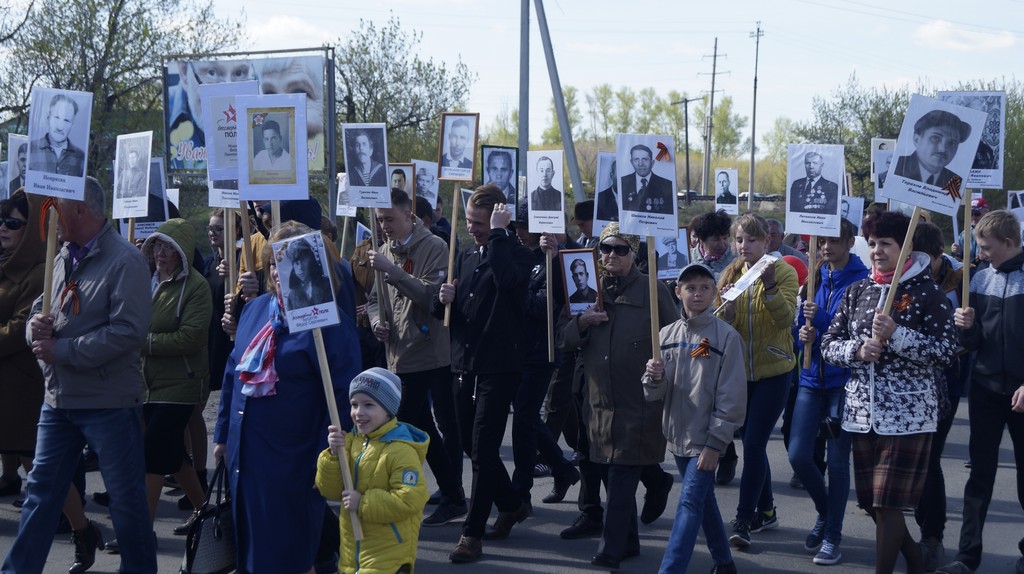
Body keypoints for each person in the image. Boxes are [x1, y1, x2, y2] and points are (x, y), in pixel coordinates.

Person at [3, 178, 157, 574]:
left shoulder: (126, 260)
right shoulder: (61, 254)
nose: (49, 218)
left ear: (81, 212)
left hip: (108, 403)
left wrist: (63, 351)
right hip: (58, 401)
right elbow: (43, 309)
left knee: (125, 503)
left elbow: (128, 332)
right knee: (40, 495)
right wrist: (32, 328)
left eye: (57, 210)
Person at [215, 221, 360, 574]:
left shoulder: (329, 322)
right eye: (274, 261)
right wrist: (221, 435)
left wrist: (338, 454)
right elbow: (233, 374)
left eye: (292, 260)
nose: (281, 271)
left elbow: (345, 395)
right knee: (251, 553)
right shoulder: (255, 309)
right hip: (245, 458)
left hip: (293, 463)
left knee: (288, 555)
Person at [820, 210, 956, 574]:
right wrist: (857, 351)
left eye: (886, 244)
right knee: (873, 504)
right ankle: (915, 561)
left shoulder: (929, 294)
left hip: (909, 416)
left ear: (907, 246)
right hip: (862, 414)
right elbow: (828, 344)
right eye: (873, 243)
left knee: (888, 503)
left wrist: (897, 334)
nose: (877, 250)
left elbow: (944, 352)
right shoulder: (857, 291)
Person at [562, 222, 678, 569]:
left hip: (638, 396)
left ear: (633, 253)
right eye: (606, 249)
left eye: (620, 249)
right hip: (599, 397)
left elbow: (673, 339)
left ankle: (610, 548)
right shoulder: (586, 288)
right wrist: (582, 324)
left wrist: (665, 374)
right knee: (610, 464)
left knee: (621, 471)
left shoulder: (652, 290)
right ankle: (630, 536)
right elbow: (563, 338)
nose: (612, 255)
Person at [435, 186, 533, 563]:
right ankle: (511, 502)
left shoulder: (518, 254)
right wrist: (441, 298)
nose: (473, 229)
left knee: (483, 450)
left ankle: (471, 534)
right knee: (466, 443)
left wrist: (498, 234)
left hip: (499, 365)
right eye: (472, 222)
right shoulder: (465, 255)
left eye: (480, 223)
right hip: (464, 361)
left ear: (497, 219)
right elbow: (456, 309)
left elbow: (507, 279)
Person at [365, 188, 466, 526]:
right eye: (380, 221)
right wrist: (378, 323)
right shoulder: (382, 251)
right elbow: (375, 301)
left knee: (405, 425)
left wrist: (392, 271)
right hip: (397, 353)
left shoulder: (435, 247)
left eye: (389, 219)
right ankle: (452, 492)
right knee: (422, 426)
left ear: (409, 216)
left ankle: (423, 493)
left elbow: (430, 298)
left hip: (428, 352)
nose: (384, 227)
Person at [644, 262, 746, 574]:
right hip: (678, 434)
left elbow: (732, 395)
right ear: (678, 292)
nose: (697, 294)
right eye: (690, 288)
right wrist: (653, 378)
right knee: (704, 501)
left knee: (689, 503)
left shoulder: (726, 337)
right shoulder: (665, 334)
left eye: (704, 288)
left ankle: (670, 569)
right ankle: (724, 562)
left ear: (715, 293)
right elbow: (654, 394)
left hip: (706, 439)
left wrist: (716, 444)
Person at [938, 210, 1024, 574]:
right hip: (986, 388)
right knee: (979, 477)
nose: (982, 253)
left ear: (1009, 242)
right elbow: (972, 345)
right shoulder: (978, 279)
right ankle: (966, 556)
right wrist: (966, 328)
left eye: (987, 247)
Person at [717, 213, 799, 548]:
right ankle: (766, 510)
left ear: (768, 242)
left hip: (774, 371)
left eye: (752, 240)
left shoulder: (784, 271)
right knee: (752, 442)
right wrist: (728, 310)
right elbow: (718, 329)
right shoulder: (731, 272)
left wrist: (768, 287)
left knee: (753, 443)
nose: (744, 246)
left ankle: (743, 518)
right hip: (741, 374)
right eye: (739, 240)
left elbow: (786, 320)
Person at [791, 219, 868, 566]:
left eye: (834, 240)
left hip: (843, 383)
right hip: (811, 379)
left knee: (838, 464)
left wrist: (820, 320)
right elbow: (800, 334)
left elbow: (853, 333)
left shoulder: (864, 282)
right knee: (797, 456)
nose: (825, 247)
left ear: (851, 241)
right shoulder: (814, 278)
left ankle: (832, 536)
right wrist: (801, 335)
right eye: (821, 240)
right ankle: (826, 511)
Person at [316, 368, 429, 574]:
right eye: (354, 404)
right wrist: (333, 454)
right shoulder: (350, 443)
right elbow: (329, 490)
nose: (359, 412)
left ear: (388, 410)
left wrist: (363, 502)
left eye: (369, 405)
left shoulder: (401, 449)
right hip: (352, 554)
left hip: (388, 557)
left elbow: (410, 499)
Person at [138, 218, 211, 534]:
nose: (161, 253)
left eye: (169, 247)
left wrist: (143, 342)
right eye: (157, 245)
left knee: (152, 453)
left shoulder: (196, 286)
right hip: (146, 384)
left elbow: (191, 337)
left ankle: (141, 533)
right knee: (172, 453)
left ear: (183, 252)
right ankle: (205, 511)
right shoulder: (145, 280)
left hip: (182, 383)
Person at [912, 222, 968, 572]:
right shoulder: (902, 278)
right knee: (914, 463)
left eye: (925, 259)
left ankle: (932, 537)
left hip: (947, 380)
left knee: (929, 460)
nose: (918, 265)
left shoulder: (964, 281)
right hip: (907, 383)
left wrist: (968, 326)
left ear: (939, 255)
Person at [894, 109, 971, 188]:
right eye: (935, 139)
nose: (943, 149)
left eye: (952, 143)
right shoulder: (895, 170)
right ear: (916, 139)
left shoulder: (955, 183)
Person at [28, 93, 86, 177]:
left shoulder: (80, 156)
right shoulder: (31, 149)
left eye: (66, 120)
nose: (60, 127)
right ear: (48, 118)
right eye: (56, 118)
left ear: (72, 124)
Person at [621, 145, 673, 214]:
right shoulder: (622, 182)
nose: (640, 164)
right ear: (631, 162)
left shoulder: (667, 185)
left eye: (645, 159)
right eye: (636, 159)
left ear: (652, 162)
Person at [691, 210, 737, 280]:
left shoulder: (736, 259)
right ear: (702, 239)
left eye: (725, 238)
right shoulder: (688, 258)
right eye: (716, 240)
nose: (722, 244)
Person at [952, 197, 989, 263]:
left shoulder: (993, 233)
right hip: (968, 271)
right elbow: (957, 258)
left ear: (986, 213)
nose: (973, 217)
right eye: (971, 214)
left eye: (977, 214)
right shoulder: (964, 234)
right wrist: (955, 251)